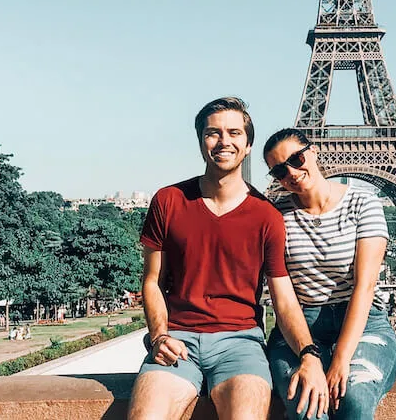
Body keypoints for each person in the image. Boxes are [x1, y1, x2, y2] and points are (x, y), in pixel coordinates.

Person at [128, 98, 328, 420]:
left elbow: (283, 298)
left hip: (240, 343)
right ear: (200, 141)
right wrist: (159, 335)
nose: (224, 141)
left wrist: (308, 353)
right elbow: (152, 281)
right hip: (176, 338)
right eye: (213, 133)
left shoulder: (267, 216)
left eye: (234, 132)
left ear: (248, 145)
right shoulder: (168, 201)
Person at [263, 128, 396, 420]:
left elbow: (365, 287)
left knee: (355, 398)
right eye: (279, 170)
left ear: (313, 152)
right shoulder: (275, 217)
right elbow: (283, 299)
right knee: (306, 408)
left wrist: (340, 358)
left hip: (362, 323)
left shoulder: (364, 203)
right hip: (301, 327)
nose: (291, 171)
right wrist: (307, 354)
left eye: (296, 159)